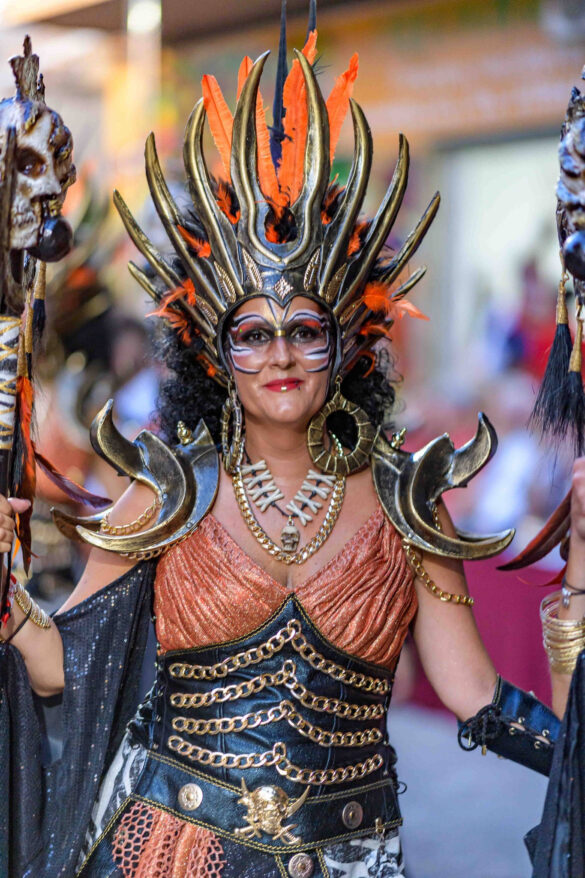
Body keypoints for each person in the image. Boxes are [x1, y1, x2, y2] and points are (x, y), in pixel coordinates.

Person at [0, 19, 568, 878]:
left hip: (349, 857)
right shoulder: (167, 490)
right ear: (212, 349)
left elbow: (473, 695)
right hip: (171, 853)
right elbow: (63, 673)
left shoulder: (406, 500)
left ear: (347, 343)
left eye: (305, 330)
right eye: (252, 334)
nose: (280, 358)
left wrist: (573, 750)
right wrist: (8, 601)